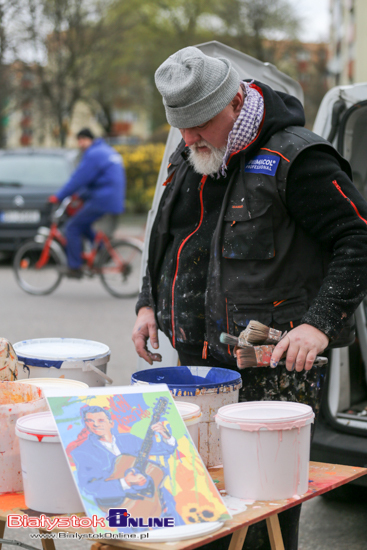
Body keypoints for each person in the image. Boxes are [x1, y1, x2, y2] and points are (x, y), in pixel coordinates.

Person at [132, 47, 367, 549]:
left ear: (235, 102)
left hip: (271, 373)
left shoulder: (297, 157)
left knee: (261, 523)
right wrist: (147, 303)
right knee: (200, 511)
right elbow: (167, 237)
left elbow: (358, 239)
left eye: (199, 124)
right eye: (181, 126)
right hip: (197, 370)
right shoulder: (191, 151)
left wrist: (319, 323)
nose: (189, 138)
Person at [71, 405, 181, 524]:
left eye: (100, 420)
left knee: (171, 512)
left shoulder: (129, 439)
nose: (95, 424)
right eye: (90, 421)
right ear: (85, 424)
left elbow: (163, 449)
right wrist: (125, 482)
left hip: (150, 497)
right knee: (133, 538)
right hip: (117, 504)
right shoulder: (82, 452)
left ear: (111, 423)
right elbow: (89, 486)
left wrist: (166, 436)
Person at [48, 128, 126, 278]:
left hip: (103, 199)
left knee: (72, 227)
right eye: (79, 140)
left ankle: (75, 267)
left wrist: (58, 197)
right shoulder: (105, 150)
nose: (80, 144)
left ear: (91, 140)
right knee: (82, 224)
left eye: (83, 140)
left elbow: (78, 179)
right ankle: (103, 251)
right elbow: (96, 180)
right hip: (111, 198)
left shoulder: (93, 154)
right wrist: (80, 196)